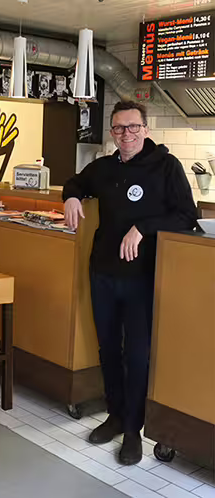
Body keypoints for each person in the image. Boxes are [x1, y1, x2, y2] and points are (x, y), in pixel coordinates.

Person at [63, 101, 197, 465]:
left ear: (146, 130)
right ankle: (116, 415)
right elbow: (76, 181)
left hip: (142, 277)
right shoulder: (104, 167)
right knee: (108, 349)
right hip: (103, 273)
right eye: (119, 128)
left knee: (136, 356)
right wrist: (71, 196)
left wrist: (143, 228)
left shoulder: (166, 166)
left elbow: (187, 215)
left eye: (133, 127)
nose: (127, 134)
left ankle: (134, 430)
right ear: (112, 132)